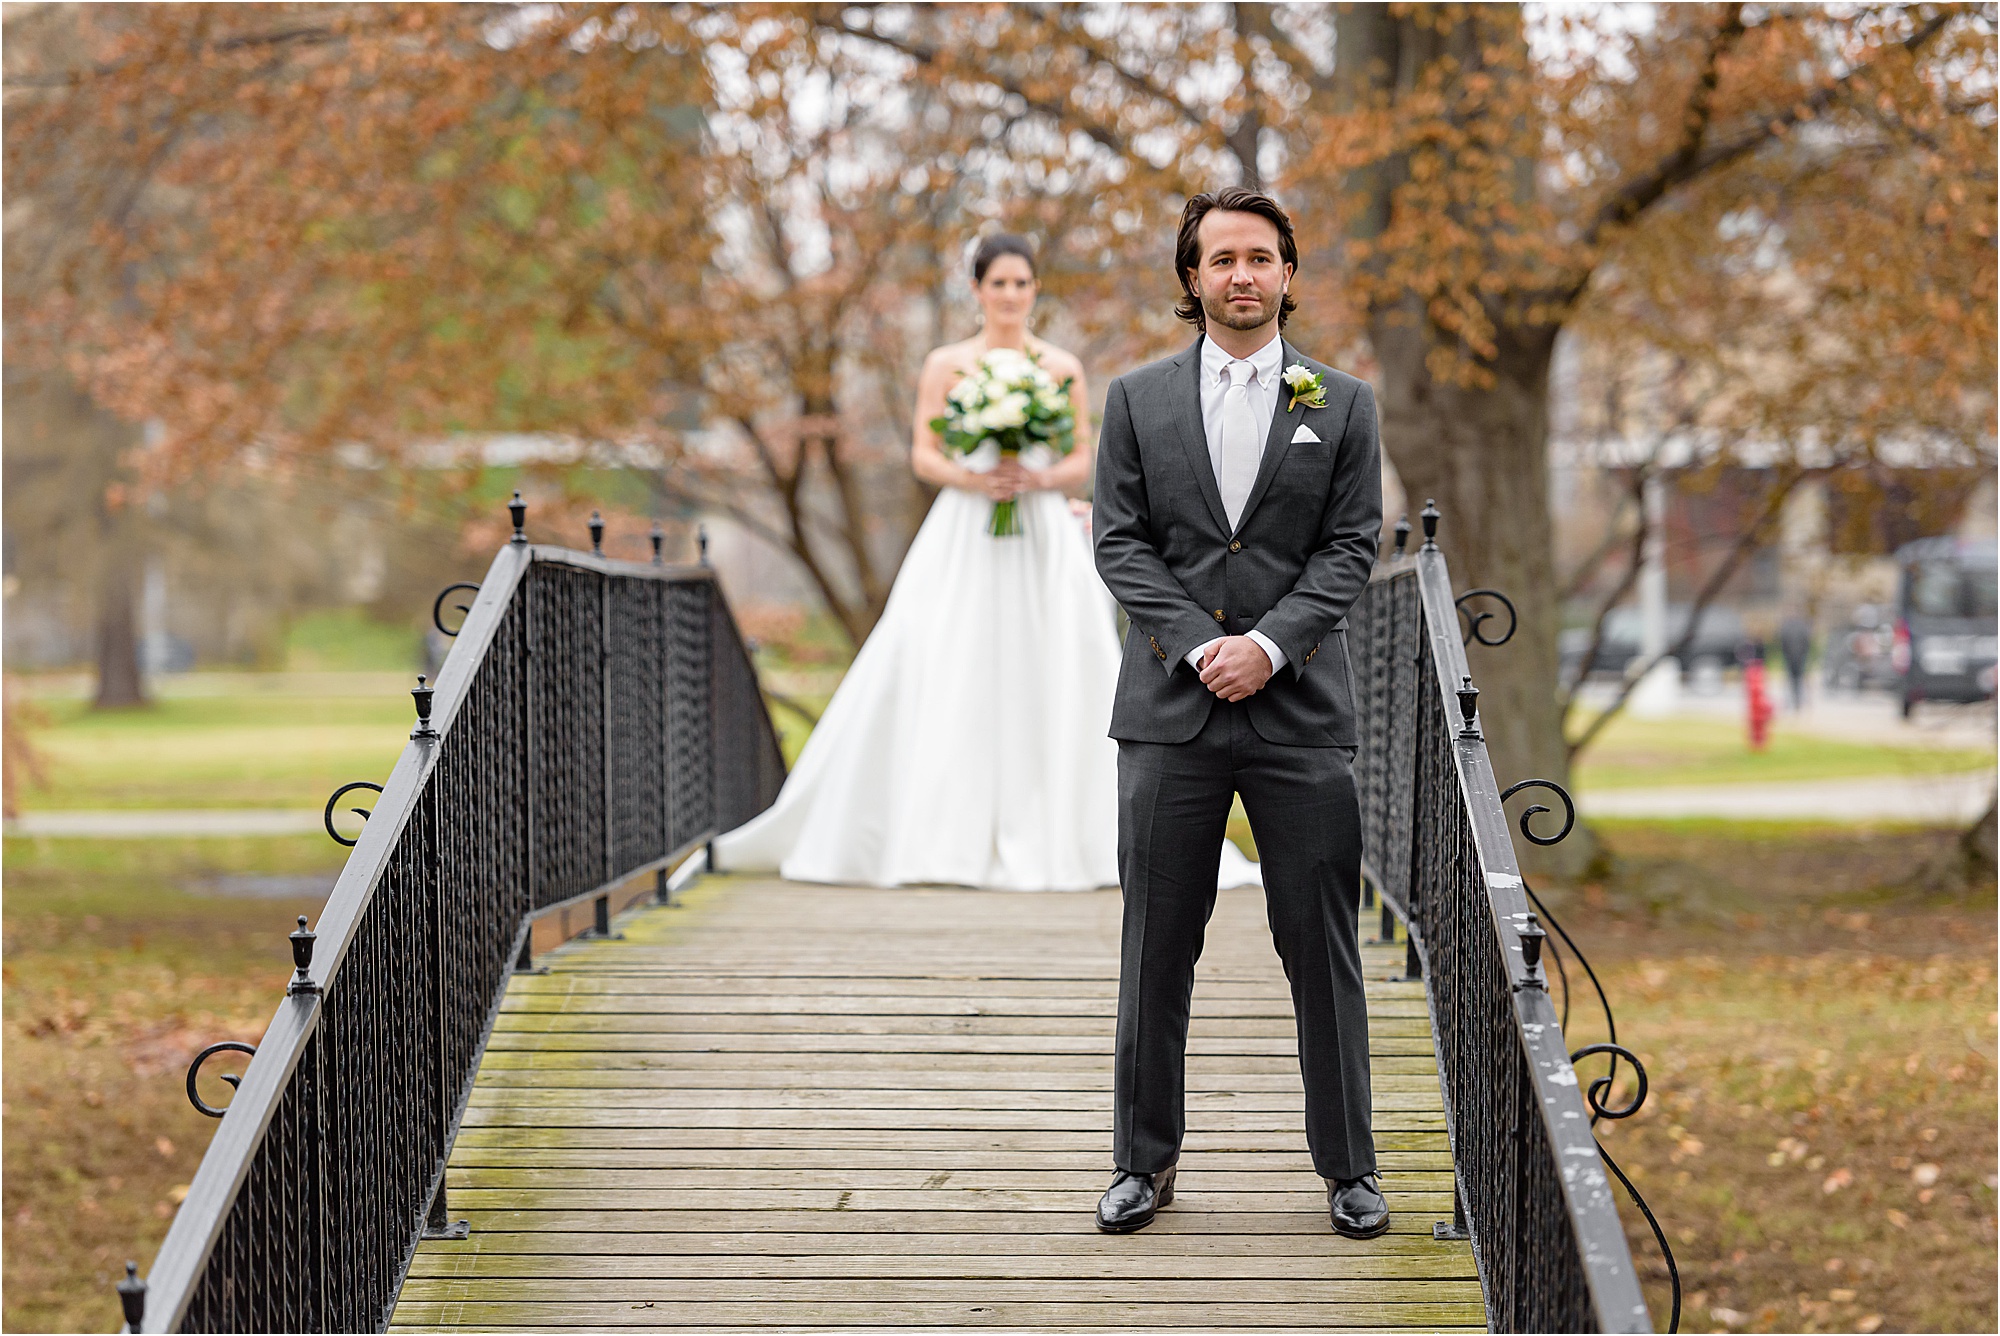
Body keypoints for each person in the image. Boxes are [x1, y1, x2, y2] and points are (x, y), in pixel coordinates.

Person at [713, 233, 1263, 893]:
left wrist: (1030, 479)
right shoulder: (947, 363)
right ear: (976, 290)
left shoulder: (1058, 366)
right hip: (966, 526)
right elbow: (925, 452)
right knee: (947, 653)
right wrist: (978, 480)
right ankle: (941, 829)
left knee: (1052, 656)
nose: (1009, 295)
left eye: (1020, 284)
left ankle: (1065, 827)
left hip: (1038, 526)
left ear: (1034, 291)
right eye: (997, 283)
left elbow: (1075, 456)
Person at [1089, 188, 1387, 1239]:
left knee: (1321, 946)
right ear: (1190, 277)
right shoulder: (1133, 400)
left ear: (1288, 273)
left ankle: (1348, 1167)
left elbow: (1350, 546)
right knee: (1155, 945)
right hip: (1168, 713)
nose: (1241, 275)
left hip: (1298, 713)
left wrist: (1266, 647)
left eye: (1259, 257)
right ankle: (1140, 1161)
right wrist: (1197, 645)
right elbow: (1118, 541)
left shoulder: (1340, 404)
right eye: (1220, 259)